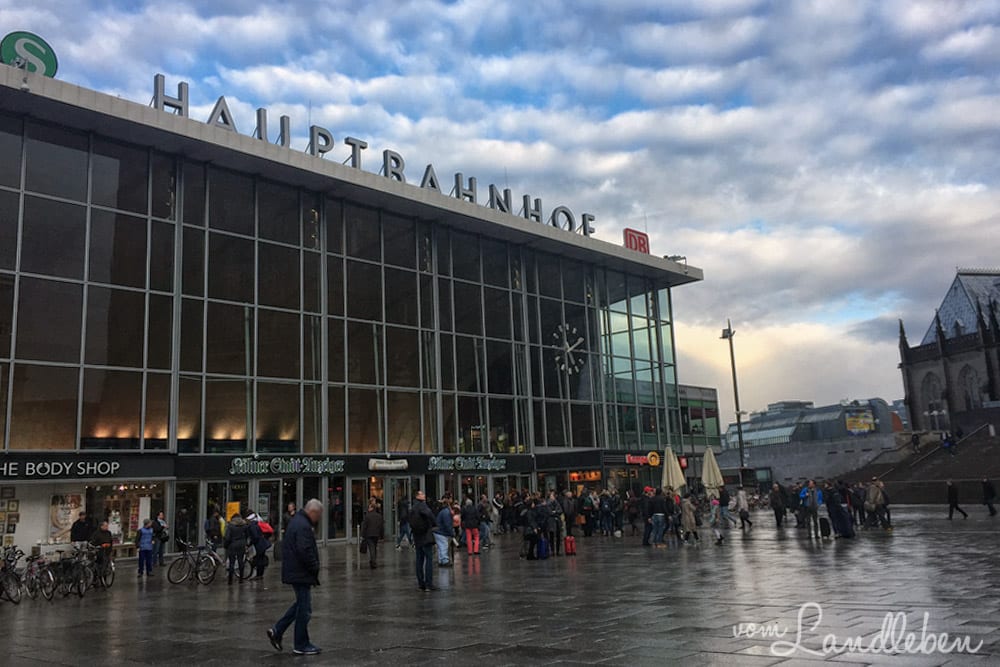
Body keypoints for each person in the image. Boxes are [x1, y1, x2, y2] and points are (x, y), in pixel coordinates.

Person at [267, 499, 323, 655]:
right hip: (300, 572)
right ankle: (301, 644)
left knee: (300, 605)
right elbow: (304, 550)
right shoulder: (303, 526)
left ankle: (277, 630)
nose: (318, 519)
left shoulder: (297, 521)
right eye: (318, 515)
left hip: (295, 571)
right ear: (313, 512)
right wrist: (314, 567)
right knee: (305, 609)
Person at [408, 490, 437, 592]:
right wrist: (434, 523)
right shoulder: (422, 506)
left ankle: (421, 583)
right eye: (422, 494)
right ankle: (429, 583)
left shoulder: (412, 507)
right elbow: (430, 515)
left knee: (419, 560)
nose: (424, 495)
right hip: (425, 535)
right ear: (418, 496)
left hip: (417, 536)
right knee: (429, 559)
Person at [224, 512, 248, 584]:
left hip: (232, 545)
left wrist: (226, 545)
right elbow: (247, 535)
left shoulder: (230, 526)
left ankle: (230, 580)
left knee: (232, 562)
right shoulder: (244, 525)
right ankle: (241, 579)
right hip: (241, 545)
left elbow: (227, 537)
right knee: (241, 561)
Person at [246, 512, 271, 579]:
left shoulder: (252, 526)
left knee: (259, 559)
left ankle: (258, 574)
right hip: (262, 544)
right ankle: (260, 574)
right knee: (261, 558)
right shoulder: (256, 524)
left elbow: (255, 537)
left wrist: (250, 544)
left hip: (259, 545)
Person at [360, 500, 384, 569]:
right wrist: (382, 535)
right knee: (374, 547)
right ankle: (373, 560)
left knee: (371, 548)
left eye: (369, 507)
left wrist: (363, 534)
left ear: (372, 508)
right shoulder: (379, 516)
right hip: (376, 534)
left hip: (369, 534)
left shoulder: (367, 516)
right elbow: (381, 526)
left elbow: (364, 526)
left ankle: (373, 562)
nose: (368, 509)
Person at [434, 499, 453, 566]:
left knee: (440, 546)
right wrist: (451, 532)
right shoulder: (446, 512)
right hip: (442, 532)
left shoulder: (442, 512)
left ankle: (441, 560)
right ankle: (444, 560)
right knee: (443, 545)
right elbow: (447, 524)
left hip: (438, 531)